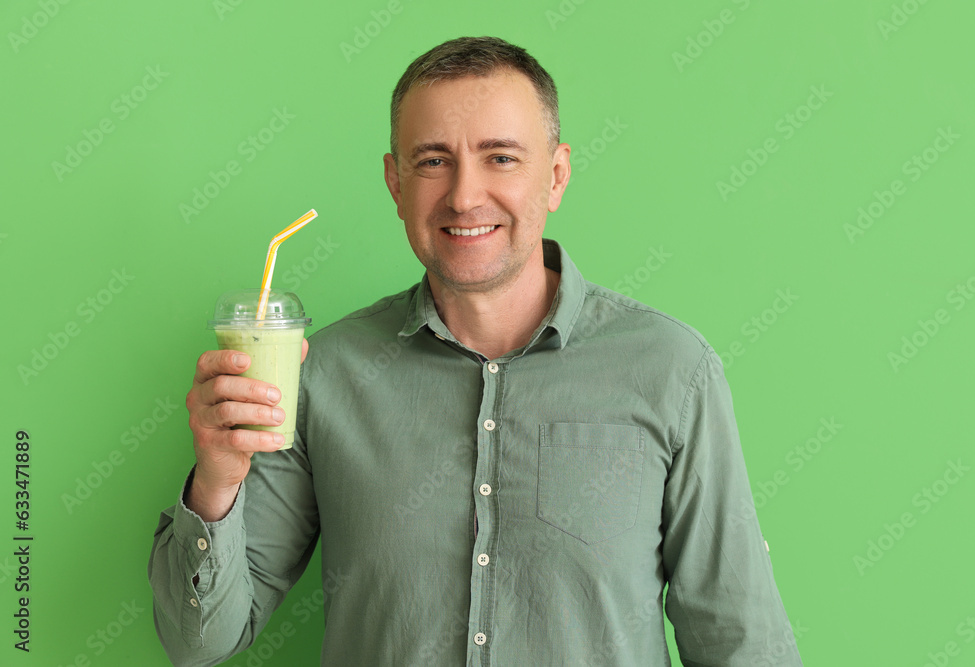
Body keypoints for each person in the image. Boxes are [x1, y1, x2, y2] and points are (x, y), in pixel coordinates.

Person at [149, 36, 802, 666]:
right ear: (395, 182)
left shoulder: (671, 370)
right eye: (433, 160)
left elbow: (740, 641)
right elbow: (200, 642)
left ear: (556, 176)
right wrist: (218, 479)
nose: (464, 195)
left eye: (501, 157)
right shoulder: (320, 375)